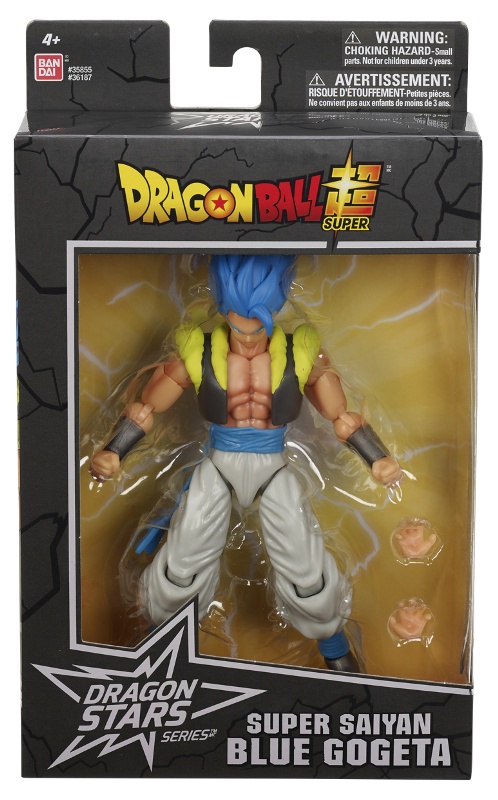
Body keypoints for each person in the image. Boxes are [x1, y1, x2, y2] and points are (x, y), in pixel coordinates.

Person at [90, 254, 402, 672]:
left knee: (306, 570)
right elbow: (147, 407)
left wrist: (376, 458)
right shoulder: (198, 349)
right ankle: (158, 645)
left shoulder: (300, 351)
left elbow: (342, 417)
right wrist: (114, 450)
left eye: (260, 317)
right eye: (239, 317)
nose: (250, 330)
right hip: (219, 464)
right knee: (182, 565)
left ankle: (335, 649)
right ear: (222, 306)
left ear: (277, 305)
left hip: (273, 466)